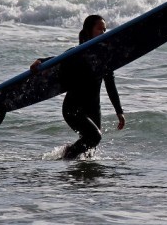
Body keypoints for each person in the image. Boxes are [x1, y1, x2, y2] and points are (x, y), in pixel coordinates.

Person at [31, 15, 126, 159]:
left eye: (105, 30)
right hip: (73, 108)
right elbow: (57, 61)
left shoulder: (105, 58)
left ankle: (80, 176)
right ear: (88, 31)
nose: (103, 32)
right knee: (94, 137)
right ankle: (66, 156)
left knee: (91, 148)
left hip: (93, 108)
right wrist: (40, 61)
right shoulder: (78, 53)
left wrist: (119, 111)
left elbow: (110, 85)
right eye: (99, 29)